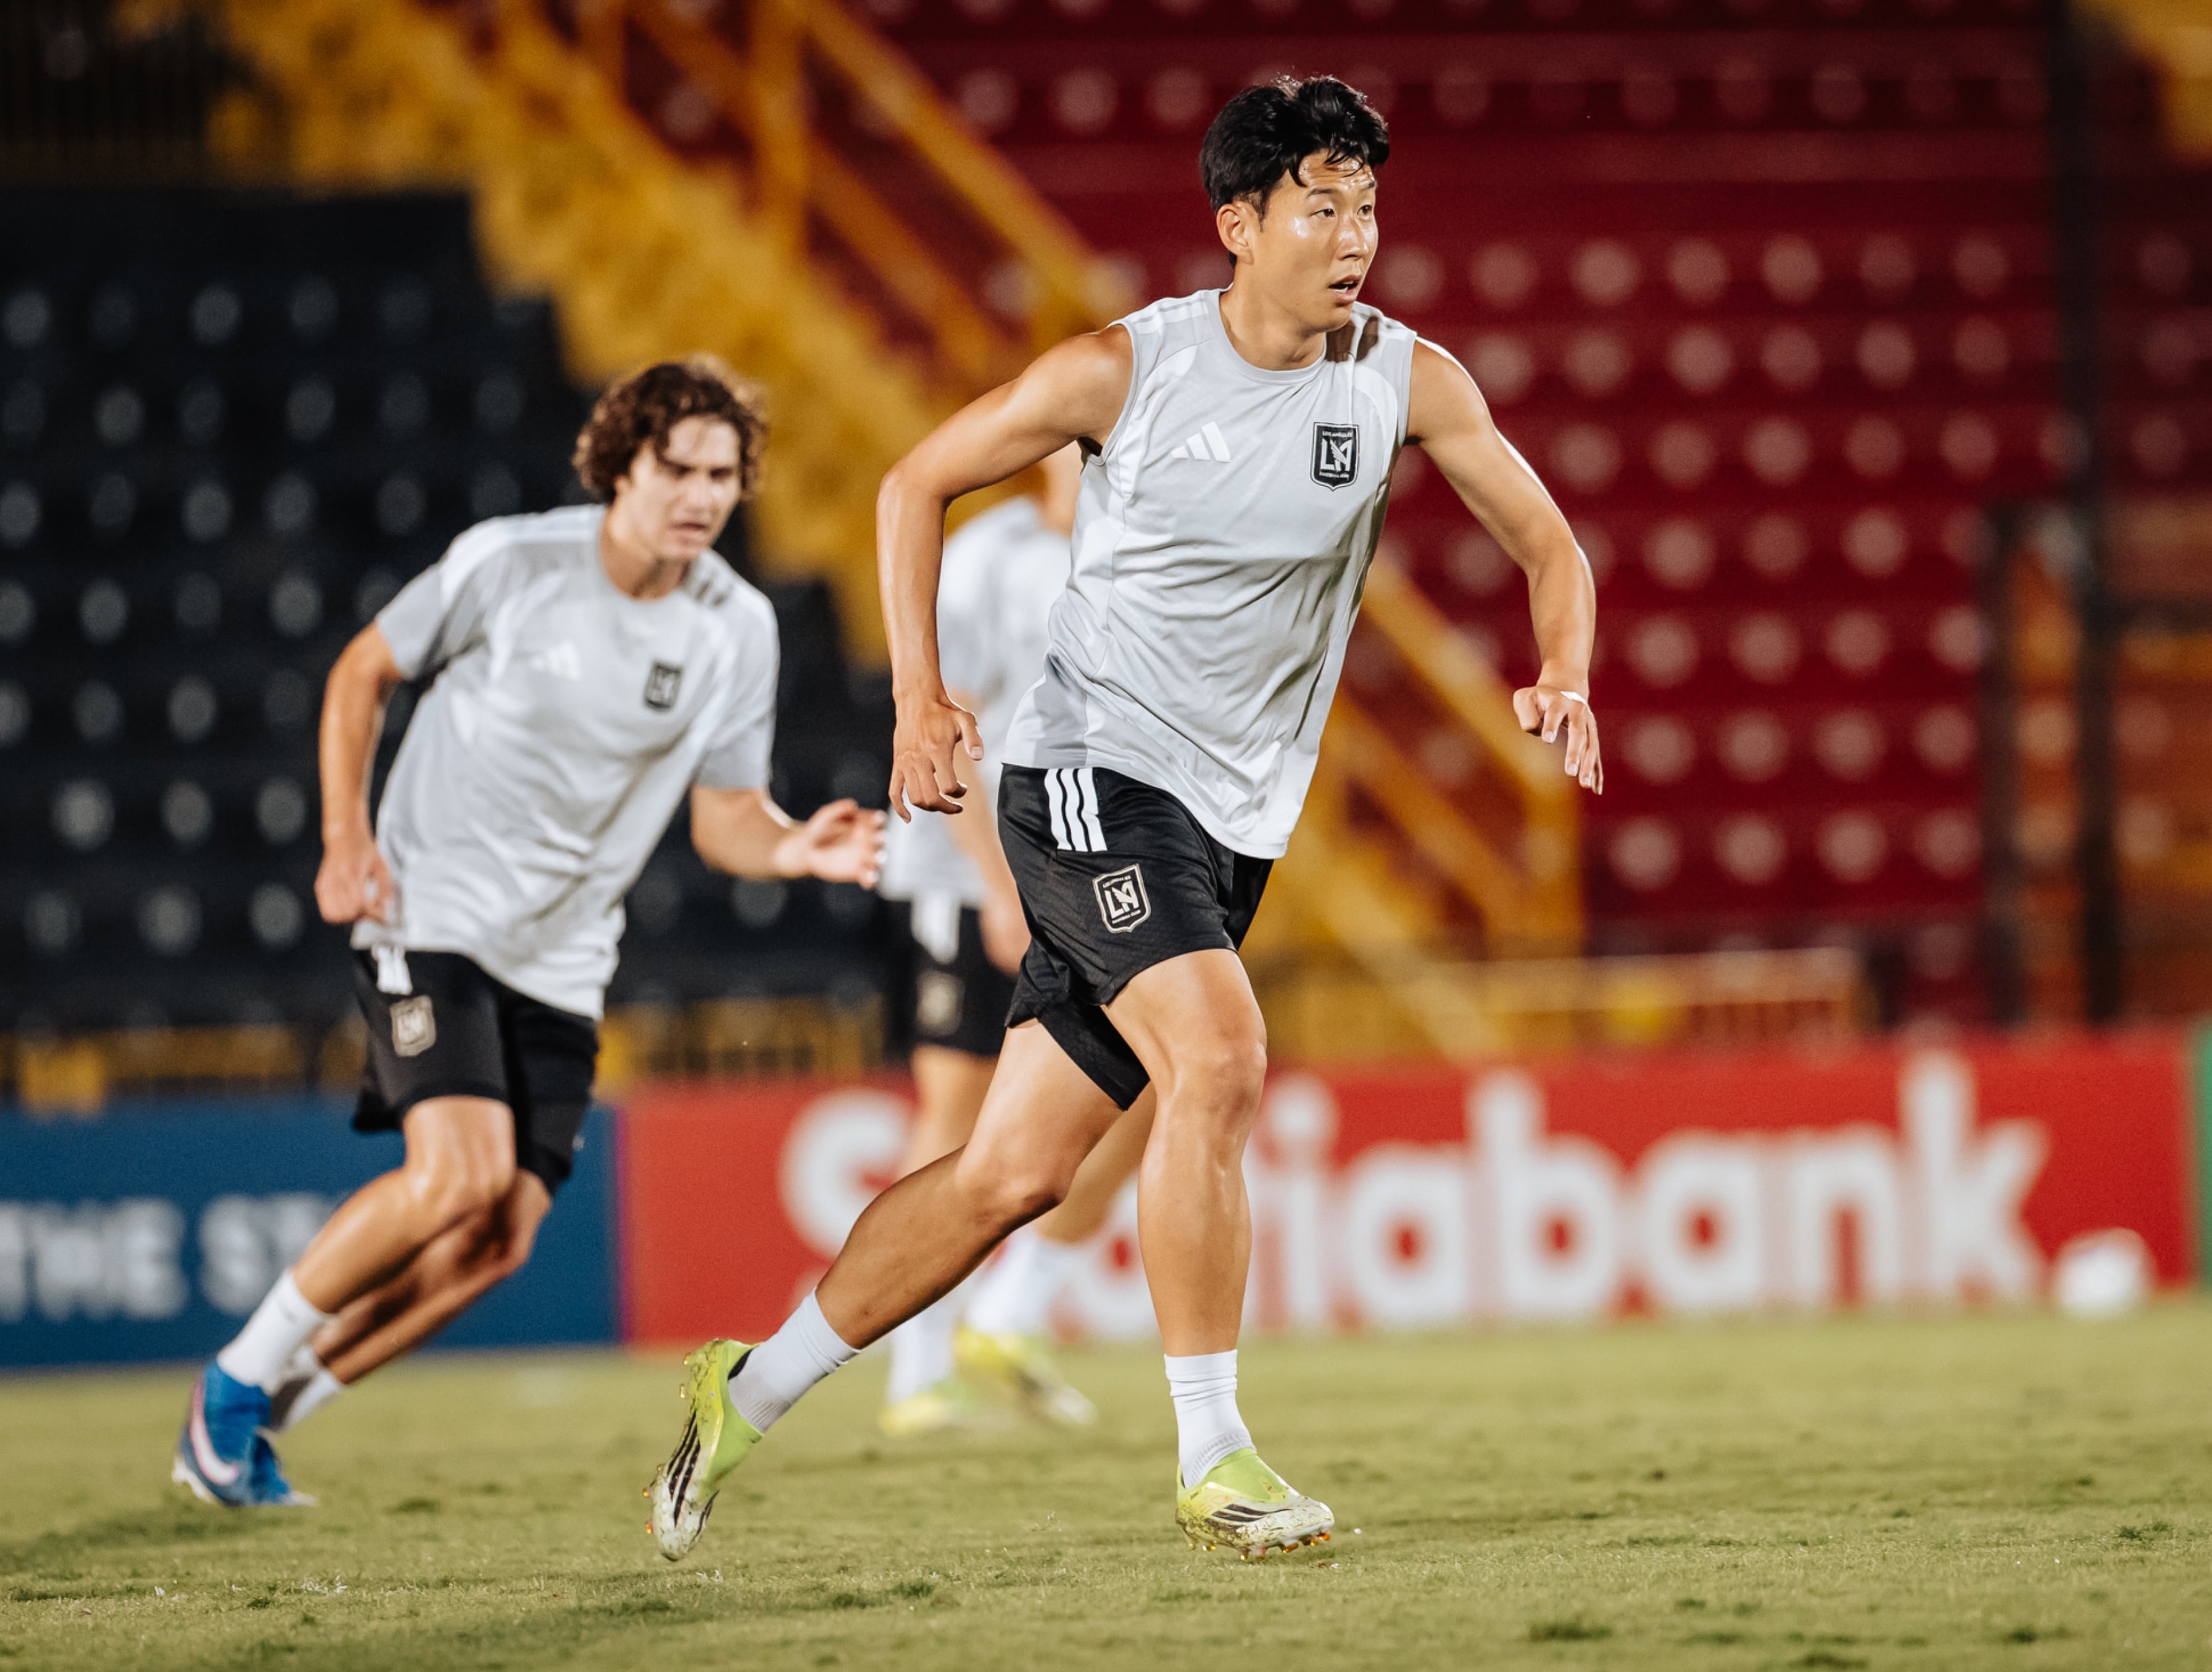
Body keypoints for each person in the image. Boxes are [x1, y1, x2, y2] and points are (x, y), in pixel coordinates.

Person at [645, 77, 1600, 1563]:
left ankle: (744, 1385)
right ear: (1239, 223)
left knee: (1011, 1174)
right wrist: (920, 697)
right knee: (1216, 1055)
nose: (1354, 237)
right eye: (1320, 207)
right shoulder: (1127, 370)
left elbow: (1547, 540)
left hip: (1232, 822)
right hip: (1090, 772)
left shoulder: (1405, 379)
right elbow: (913, 483)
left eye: (1365, 207)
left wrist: (1563, 670)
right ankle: (1213, 1451)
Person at [173, 357, 885, 1509]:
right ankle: (230, 1390)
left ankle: (261, 1421)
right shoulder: (513, 563)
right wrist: (345, 838)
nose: (702, 495)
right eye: (678, 469)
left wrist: (796, 846)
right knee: (456, 1174)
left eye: (723, 474)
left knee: (493, 1238)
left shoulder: (736, 628)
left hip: (564, 956)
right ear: (621, 464)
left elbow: (726, 819)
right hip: (431, 908)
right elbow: (362, 671)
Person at [872, 446, 1152, 1438]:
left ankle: (1013, 1311)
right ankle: (916, 1366)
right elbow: (950, 732)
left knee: (1156, 1083)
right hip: (972, 875)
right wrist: (997, 887)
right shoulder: (986, 560)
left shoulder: (1132, 549)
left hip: (1081, 871)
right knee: (954, 1110)